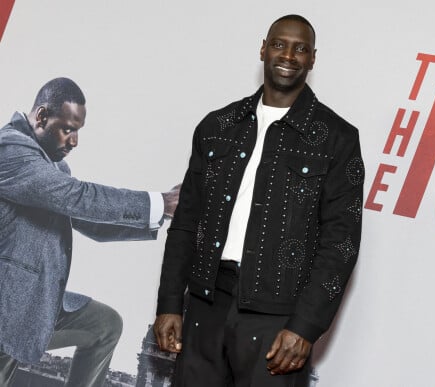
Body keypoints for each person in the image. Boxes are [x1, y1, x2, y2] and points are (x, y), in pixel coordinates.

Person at [154, 14, 364, 387]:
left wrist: (305, 327)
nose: (289, 55)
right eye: (280, 44)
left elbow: (341, 244)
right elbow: (186, 222)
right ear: (263, 49)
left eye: (301, 48)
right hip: (206, 305)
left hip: (278, 322)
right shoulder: (217, 127)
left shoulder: (337, 139)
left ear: (313, 59)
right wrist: (170, 302)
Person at [0, 77, 180, 387]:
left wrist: (160, 213)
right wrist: (159, 202)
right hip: (6, 308)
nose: (74, 142)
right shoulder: (10, 150)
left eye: (78, 132)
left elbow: (90, 221)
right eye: (68, 129)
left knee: (105, 325)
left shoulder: (52, 167)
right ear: (42, 116)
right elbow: (78, 197)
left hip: (34, 304)